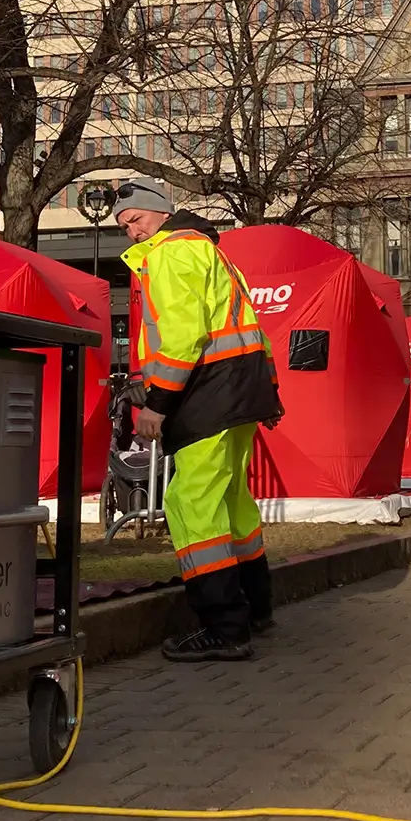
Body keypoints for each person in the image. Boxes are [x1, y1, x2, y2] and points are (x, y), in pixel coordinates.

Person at [115, 177, 283, 662]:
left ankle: (223, 626)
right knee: (232, 500)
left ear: (162, 213)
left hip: (207, 393)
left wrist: (156, 405)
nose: (132, 232)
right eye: (125, 226)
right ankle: (255, 610)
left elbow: (184, 338)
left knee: (191, 502)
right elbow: (251, 327)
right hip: (241, 391)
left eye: (137, 220)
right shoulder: (212, 251)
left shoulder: (169, 254)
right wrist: (266, 394)